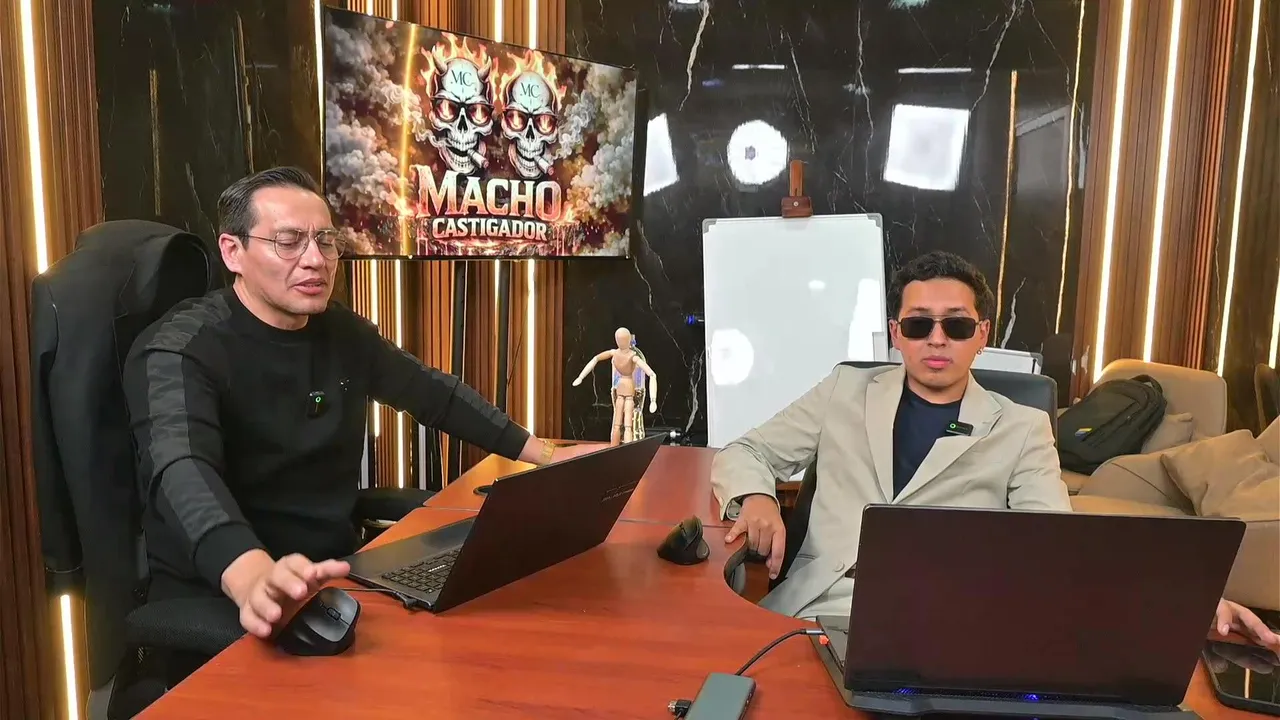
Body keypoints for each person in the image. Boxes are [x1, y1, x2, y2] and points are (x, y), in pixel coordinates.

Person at [710, 250, 1280, 652]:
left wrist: (1179, 598)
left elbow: (1057, 544)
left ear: (982, 335)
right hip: (813, 613)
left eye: (956, 326)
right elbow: (746, 450)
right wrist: (757, 498)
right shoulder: (845, 389)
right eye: (919, 325)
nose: (937, 339)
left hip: (941, 629)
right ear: (896, 333)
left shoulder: (1022, 428)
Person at [123, 166, 593, 642]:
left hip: (338, 584)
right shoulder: (181, 348)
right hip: (228, 598)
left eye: (326, 241)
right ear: (233, 251)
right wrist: (250, 575)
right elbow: (182, 468)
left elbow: (434, 394)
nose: (315, 260)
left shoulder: (341, 333)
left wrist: (548, 456)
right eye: (289, 241)